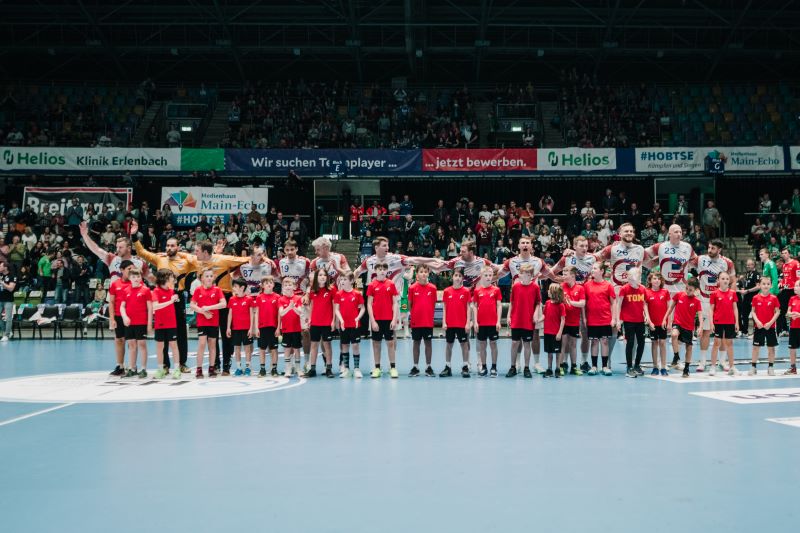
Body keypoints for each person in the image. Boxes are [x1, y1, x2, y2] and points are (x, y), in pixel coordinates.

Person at [687, 239, 736, 372]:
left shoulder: (727, 262)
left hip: (720, 300)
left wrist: (730, 298)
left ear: (719, 250)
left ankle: (722, 361)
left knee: (723, 333)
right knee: (705, 331)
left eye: (713, 248)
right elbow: (685, 264)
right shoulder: (700, 259)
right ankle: (703, 362)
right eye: (709, 247)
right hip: (704, 299)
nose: (710, 250)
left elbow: (733, 280)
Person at [79, 221, 149, 282]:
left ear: (128, 247)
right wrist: (85, 235)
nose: (118, 249)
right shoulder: (112, 258)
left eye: (121, 246)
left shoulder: (139, 262)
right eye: (117, 245)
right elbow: (96, 249)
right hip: (115, 292)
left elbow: (151, 279)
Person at [506, 263, 541, 378]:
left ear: (531, 276)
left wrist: (535, 313)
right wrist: (508, 316)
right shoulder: (515, 287)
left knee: (527, 344)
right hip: (516, 319)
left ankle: (526, 368)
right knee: (514, 343)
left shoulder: (535, 287)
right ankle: (513, 367)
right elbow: (511, 302)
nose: (524, 276)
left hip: (528, 320)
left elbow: (538, 303)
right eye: (523, 274)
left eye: (527, 274)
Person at [190, 268, 227, 378]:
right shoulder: (198, 290)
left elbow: (223, 304)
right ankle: (199, 369)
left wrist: (209, 307)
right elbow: (192, 305)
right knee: (202, 344)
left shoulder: (217, 290)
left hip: (213, 322)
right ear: (202, 278)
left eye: (211, 276)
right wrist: (203, 311)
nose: (209, 278)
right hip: (202, 321)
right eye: (207, 276)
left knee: (212, 344)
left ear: (214, 277)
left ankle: (211, 368)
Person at [366, 262, 400, 378]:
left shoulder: (391, 284)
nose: (382, 271)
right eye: (379, 269)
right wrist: (372, 321)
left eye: (384, 269)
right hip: (376, 320)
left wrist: (394, 319)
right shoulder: (371, 285)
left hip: (388, 319)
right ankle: (377, 368)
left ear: (386, 271)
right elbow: (369, 304)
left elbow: (395, 303)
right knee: (376, 344)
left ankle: (393, 367)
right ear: (375, 271)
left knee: (390, 343)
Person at [644, 224, 696, 295]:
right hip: (664, 289)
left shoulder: (688, 247)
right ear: (669, 234)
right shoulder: (661, 246)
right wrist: (652, 263)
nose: (679, 234)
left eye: (680, 232)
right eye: (676, 232)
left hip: (681, 289)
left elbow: (695, 261)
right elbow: (643, 254)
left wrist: (688, 266)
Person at [666, 278, 702, 379]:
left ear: (695, 290)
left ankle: (686, 368)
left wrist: (700, 327)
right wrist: (666, 319)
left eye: (690, 290)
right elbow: (670, 308)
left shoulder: (697, 301)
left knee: (688, 348)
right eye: (687, 288)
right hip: (677, 323)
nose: (688, 291)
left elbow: (700, 315)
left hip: (689, 327)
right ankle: (676, 356)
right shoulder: (679, 295)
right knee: (674, 335)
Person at [304, 268, 337, 378]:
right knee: (314, 345)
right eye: (320, 275)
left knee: (327, 345)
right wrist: (310, 319)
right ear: (316, 277)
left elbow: (334, 306)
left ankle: (329, 368)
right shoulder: (313, 290)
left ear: (327, 277)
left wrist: (333, 321)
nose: (322, 277)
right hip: (315, 323)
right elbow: (312, 305)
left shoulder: (332, 289)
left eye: (324, 275)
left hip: (327, 323)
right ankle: (312, 369)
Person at [120, 269, 152, 378]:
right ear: (130, 278)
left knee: (142, 344)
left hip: (141, 322)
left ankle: (143, 369)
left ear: (141, 277)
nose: (136, 279)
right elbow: (122, 307)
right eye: (133, 277)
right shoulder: (126, 290)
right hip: (129, 323)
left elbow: (150, 308)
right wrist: (124, 317)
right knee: (131, 345)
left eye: (138, 276)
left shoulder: (145, 290)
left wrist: (149, 324)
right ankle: (132, 368)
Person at [584, 262, 615, 376]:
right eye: (592, 268)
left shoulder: (608, 285)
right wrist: (584, 318)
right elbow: (584, 303)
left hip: (605, 319)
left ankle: (605, 366)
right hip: (592, 319)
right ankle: (594, 366)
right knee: (594, 342)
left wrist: (613, 318)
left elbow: (613, 303)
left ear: (602, 271)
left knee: (605, 341)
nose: (592, 270)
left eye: (595, 268)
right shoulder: (587, 285)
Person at [615, 267, 647, 378]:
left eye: (634, 277)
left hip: (640, 320)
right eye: (630, 277)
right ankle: (629, 367)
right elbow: (619, 305)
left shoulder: (643, 289)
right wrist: (618, 320)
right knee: (630, 343)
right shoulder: (624, 289)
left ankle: (637, 365)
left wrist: (646, 316)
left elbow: (644, 303)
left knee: (641, 343)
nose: (632, 279)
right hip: (628, 321)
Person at [407, 264, 438, 377]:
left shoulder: (433, 288)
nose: (423, 274)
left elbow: (433, 304)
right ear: (417, 275)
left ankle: (428, 367)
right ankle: (415, 367)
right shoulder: (412, 288)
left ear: (428, 274)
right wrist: (414, 316)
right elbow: (410, 305)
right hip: (416, 322)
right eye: (421, 271)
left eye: (425, 272)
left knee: (428, 344)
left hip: (428, 322)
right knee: (416, 344)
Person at [471, 266, 502, 377]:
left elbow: (499, 306)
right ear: (481, 276)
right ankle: (484, 367)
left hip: (493, 323)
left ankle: (494, 367)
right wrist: (475, 322)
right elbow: (475, 307)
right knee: (482, 345)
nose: (488, 277)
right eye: (486, 275)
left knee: (493, 344)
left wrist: (498, 321)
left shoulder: (496, 290)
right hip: (481, 323)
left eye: (490, 275)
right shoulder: (477, 291)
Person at [440, 269, 472, 378]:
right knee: (449, 345)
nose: (457, 278)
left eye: (459, 276)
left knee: (464, 345)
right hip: (450, 324)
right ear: (452, 277)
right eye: (456, 275)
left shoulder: (466, 291)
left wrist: (468, 323)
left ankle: (465, 366)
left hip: (462, 324)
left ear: (462, 278)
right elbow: (444, 308)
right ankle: (448, 367)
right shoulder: (447, 291)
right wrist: (444, 322)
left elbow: (468, 308)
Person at [333, 271, 365, 379]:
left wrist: (358, 318)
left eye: (345, 279)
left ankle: (356, 369)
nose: (342, 281)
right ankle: (346, 369)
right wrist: (341, 320)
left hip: (355, 325)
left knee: (355, 345)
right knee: (345, 345)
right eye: (341, 279)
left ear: (351, 281)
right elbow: (336, 309)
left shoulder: (357, 294)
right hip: (344, 325)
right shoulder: (338, 294)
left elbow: (362, 308)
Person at [151, 269, 181, 380]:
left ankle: (177, 369)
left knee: (174, 345)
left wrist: (175, 299)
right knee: (160, 347)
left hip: (171, 323)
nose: (173, 279)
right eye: (171, 277)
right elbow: (155, 306)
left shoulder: (172, 291)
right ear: (164, 278)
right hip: (160, 324)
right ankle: (160, 369)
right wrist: (170, 301)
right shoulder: (156, 291)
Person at [709, 272, 739, 376]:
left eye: (727, 278)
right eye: (722, 278)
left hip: (730, 322)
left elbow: (735, 308)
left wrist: (737, 322)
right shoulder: (714, 293)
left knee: (729, 344)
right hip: (718, 322)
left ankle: (732, 367)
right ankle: (713, 367)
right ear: (718, 280)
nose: (725, 280)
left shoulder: (733, 293)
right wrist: (711, 323)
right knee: (716, 343)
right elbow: (711, 309)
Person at [749, 276, 780, 376]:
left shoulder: (774, 298)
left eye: (768, 284)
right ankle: (753, 367)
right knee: (756, 347)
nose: (766, 286)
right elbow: (753, 312)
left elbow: (777, 312)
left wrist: (770, 323)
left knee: (771, 348)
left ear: (771, 285)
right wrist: (757, 321)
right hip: (759, 327)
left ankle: (771, 367)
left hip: (770, 327)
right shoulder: (755, 298)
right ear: (760, 285)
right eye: (763, 284)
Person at [107, 260, 134, 376]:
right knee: (119, 340)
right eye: (129, 269)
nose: (131, 271)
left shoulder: (136, 283)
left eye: (133, 269)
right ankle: (120, 366)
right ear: (122, 270)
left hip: (132, 317)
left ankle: (132, 366)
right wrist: (112, 319)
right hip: (118, 316)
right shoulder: (115, 284)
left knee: (132, 342)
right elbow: (111, 302)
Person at [643, 272, 670, 376]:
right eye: (654, 278)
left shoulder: (665, 292)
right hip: (653, 323)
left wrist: (668, 322)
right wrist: (649, 321)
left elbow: (669, 308)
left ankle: (663, 367)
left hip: (663, 323)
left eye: (659, 279)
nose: (657, 280)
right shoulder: (647, 292)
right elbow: (645, 307)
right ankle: (655, 367)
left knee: (662, 343)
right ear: (650, 280)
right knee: (654, 343)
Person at [227, 278, 255, 377]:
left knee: (247, 349)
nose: (233, 288)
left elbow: (252, 315)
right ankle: (239, 368)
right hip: (235, 329)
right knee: (237, 349)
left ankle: (248, 367)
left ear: (242, 288)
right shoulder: (232, 299)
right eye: (233, 286)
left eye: (235, 286)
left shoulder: (249, 299)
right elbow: (230, 314)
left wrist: (251, 328)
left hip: (246, 329)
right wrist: (228, 327)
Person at [253, 276, 281, 377]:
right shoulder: (259, 297)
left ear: (273, 284)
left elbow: (279, 313)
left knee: (274, 349)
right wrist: (256, 328)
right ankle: (262, 369)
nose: (269, 284)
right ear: (262, 286)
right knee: (262, 349)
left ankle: (274, 369)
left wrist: (278, 327)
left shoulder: (277, 297)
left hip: (273, 327)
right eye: (266, 283)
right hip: (262, 327)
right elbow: (256, 313)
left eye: (270, 282)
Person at [560, 267, 585, 376]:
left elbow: (582, 303)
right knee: (563, 344)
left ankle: (574, 367)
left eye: (565, 274)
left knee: (573, 345)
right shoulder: (561, 287)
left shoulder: (580, 288)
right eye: (563, 274)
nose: (563, 276)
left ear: (573, 276)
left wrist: (570, 302)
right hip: (563, 322)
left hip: (574, 322)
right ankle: (560, 366)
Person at [277, 277, 304, 377]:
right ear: (283, 287)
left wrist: (294, 307)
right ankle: (288, 368)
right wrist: (289, 307)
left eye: (290, 285)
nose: (288, 287)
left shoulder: (298, 298)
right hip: (286, 329)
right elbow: (281, 313)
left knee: (297, 349)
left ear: (294, 287)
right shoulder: (281, 299)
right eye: (286, 285)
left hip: (296, 329)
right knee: (287, 349)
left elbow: (300, 312)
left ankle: (298, 368)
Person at [542, 284, 566, 378]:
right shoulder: (547, 303)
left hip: (556, 333)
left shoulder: (561, 305)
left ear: (554, 293)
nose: (548, 291)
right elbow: (544, 315)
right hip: (547, 332)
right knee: (549, 353)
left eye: (549, 290)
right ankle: (549, 369)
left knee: (557, 353)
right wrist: (538, 319)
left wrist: (559, 332)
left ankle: (557, 369)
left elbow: (563, 320)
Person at [777, 248, 799, 336]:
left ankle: (795, 329)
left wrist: (797, 289)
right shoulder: (783, 265)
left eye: (785, 253)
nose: (784, 255)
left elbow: (798, 277)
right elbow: (784, 278)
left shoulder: (796, 263)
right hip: (786, 290)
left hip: (794, 290)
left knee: (795, 310)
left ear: (789, 254)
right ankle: (785, 330)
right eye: (782, 253)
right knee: (781, 309)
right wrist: (781, 284)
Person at [737, 259, 761, 337]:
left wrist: (747, 291)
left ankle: (755, 332)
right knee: (744, 314)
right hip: (746, 297)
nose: (747, 266)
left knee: (754, 315)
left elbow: (758, 287)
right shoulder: (747, 273)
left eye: (749, 264)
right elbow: (748, 285)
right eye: (747, 264)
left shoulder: (756, 274)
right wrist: (742, 290)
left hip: (753, 297)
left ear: (753, 265)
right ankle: (745, 331)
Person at [785, 280, 800, 375]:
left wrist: (799, 315)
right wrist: (791, 314)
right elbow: (787, 312)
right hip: (794, 327)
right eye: (795, 285)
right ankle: (793, 367)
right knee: (792, 348)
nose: (795, 287)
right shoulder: (792, 298)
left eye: (797, 286)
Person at [0, 262, 17, 342]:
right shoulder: (0, 275)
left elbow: (11, 288)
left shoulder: (12, 276)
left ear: (5, 267)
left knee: (8, 318)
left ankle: (6, 335)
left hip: (8, 300)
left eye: (0, 266)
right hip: (0, 299)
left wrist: (3, 283)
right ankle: (7, 331)